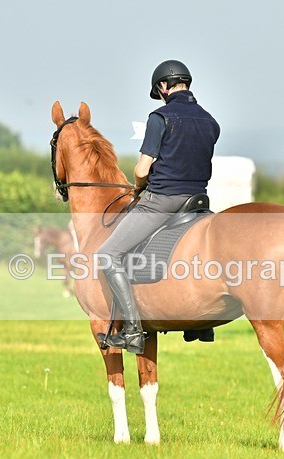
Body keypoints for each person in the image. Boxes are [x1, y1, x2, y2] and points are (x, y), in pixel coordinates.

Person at [97, 59, 220, 354]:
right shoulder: (210, 121)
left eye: (159, 91)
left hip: (164, 200)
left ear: (163, 86)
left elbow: (142, 170)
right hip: (198, 201)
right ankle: (202, 323)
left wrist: (139, 186)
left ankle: (132, 331)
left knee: (108, 254)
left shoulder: (160, 117)